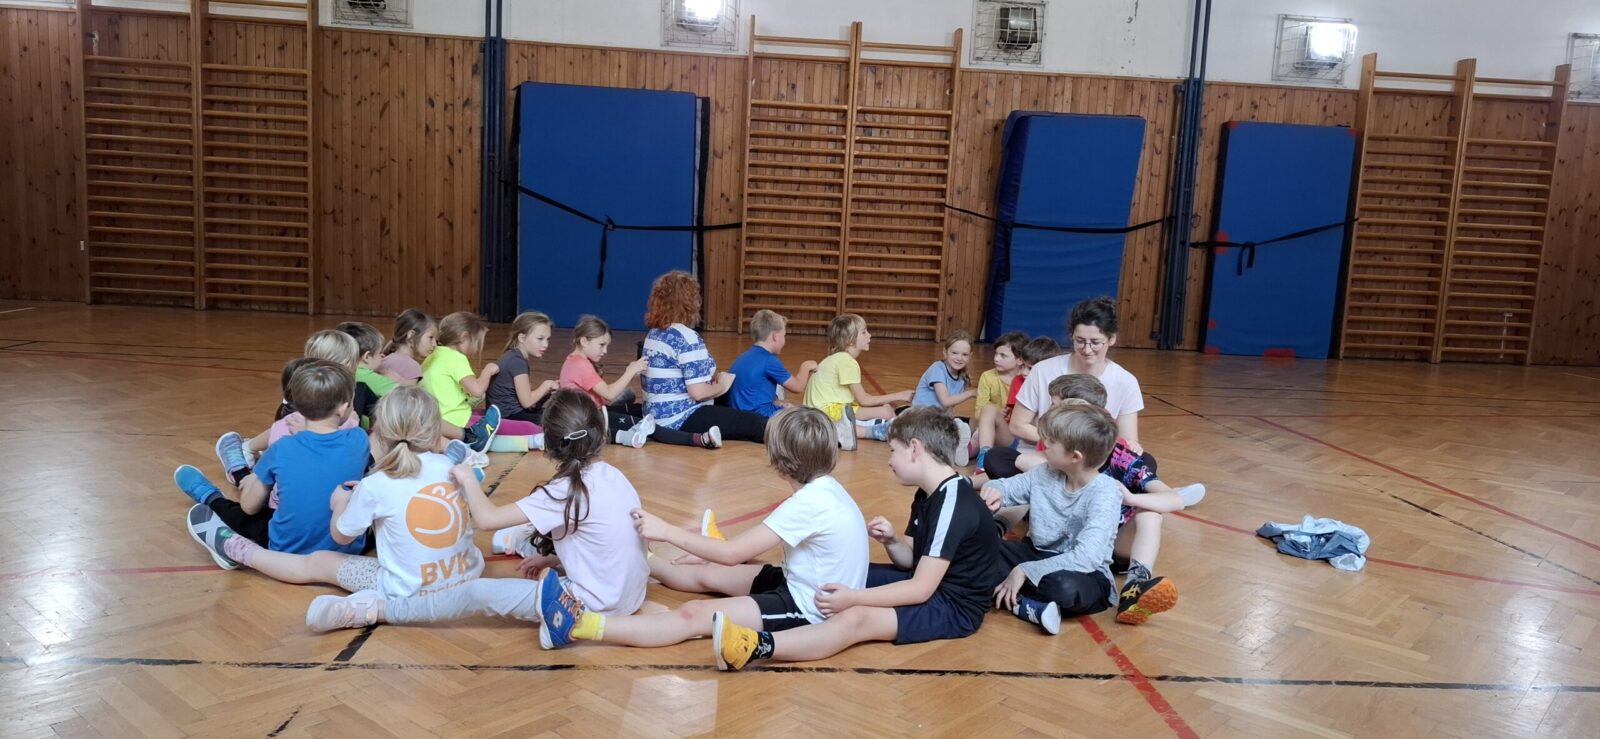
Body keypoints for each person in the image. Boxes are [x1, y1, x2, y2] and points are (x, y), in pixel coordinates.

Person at [304, 389, 652, 632]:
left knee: (478, 593)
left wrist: (468, 478)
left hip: (589, 605)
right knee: (520, 545)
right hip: (631, 596)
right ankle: (522, 544)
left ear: (548, 445)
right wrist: (555, 560)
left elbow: (485, 519)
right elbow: (597, 541)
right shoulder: (613, 475)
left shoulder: (563, 490)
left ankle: (376, 609)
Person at [532, 405, 869, 653]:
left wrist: (667, 531)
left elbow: (732, 553)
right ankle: (637, 560)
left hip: (810, 607)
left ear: (780, 463)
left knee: (692, 615)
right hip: (804, 582)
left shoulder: (809, 503)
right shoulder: (824, 488)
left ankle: (580, 625)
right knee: (707, 573)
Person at [705, 406, 1007, 671]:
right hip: (928, 583)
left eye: (893, 450)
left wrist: (853, 598)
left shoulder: (954, 505)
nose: (889, 460)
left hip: (954, 606)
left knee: (856, 618)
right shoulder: (926, 493)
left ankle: (755, 645)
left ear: (915, 449)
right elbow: (910, 562)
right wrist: (892, 542)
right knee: (845, 578)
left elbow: (920, 589)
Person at [981, 401, 1178, 627]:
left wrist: (1025, 570)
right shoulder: (1045, 472)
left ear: (1075, 457)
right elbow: (1007, 487)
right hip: (1036, 553)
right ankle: (1025, 605)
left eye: (1051, 441)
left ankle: (1012, 596)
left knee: (1064, 587)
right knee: (977, 549)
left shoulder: (1105, 492)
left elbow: (1087, 558)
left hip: (1084, 571)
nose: (1044, 444)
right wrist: (994, 490)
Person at [180, 361, 371, 571]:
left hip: (286, 550)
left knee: (247, 517)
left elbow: (249, 506)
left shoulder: (283, 448)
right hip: (348, 550)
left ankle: (210, 496)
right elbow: (327, 451)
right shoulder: (359, 439)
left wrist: (253, 480)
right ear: (344, 407)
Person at [640, 271, 770, 444]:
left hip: (655, 416)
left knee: (732, 399)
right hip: (680, 418)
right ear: (690, 303)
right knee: (756, 423)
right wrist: (722, 385)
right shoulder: (687, 338)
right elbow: (698, 393)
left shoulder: (654, 334)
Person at [802, 313, 913, 451]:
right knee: (886, 413)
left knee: (885, 410)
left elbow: (861, 399)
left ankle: (850, 430)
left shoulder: (837, 358)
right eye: (864, 332)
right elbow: (864, 400)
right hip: (825, 414)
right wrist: (901, 395)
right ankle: (863, 431)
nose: (869, 335)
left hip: (815, 415)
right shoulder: (846, 361)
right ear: (850, 340)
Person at [419, 311, 503, 452]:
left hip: (438, 422)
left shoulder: (434, 354)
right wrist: (487, 370)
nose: (477, 348)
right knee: (515, 427)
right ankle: (536, 436)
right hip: (457, 420)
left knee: (487, 417)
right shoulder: (456, 358)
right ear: (464, 337)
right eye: (476, 342)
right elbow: (477, 390)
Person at [727, 309, 818, 418]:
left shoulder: (744, 356)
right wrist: (805, 367)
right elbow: (798, 387)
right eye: (784, 335)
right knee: (803, 415)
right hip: (757, 417)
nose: (785, 340)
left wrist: (779, 403)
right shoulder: (769, 360)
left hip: (740, 414)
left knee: (786, 403)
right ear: (775, 336)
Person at [909, 329, 976, 465]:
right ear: (945, 352)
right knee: (930, 434)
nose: (959, 358)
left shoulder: (962, 378)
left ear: (970, 356)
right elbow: (945, 401)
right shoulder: (938, 368)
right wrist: (971, 393)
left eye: (964, 354)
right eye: (954, 353)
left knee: (975, 423)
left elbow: (950, 406)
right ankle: (953, 443)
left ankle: (962, 447)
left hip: (939, 418)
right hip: (922, 417)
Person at [972, 330, 1028, 470]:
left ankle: (969, 446)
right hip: (1001, 432)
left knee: (978, 434)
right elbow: (979, 412)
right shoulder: (988, 376)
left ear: (1019, 360)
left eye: (1003, 355)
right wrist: (998, 413)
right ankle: (983, 461)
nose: (996, 359)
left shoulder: (1027, 377)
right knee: (988, 410)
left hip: (1022, 436)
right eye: (996, 354)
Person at [378, 308, 437, 386]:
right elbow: (407, 394)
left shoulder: (384, 360)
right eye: (430, 337)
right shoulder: (412, 366)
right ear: (411, 336)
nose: (434, 344)